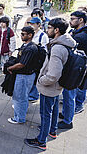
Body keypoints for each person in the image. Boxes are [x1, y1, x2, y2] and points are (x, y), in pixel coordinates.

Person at [24, 18, 76, 151]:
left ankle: (41, 141)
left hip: (49, 87)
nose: (47, 30)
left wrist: (41, 80)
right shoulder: (65, 42)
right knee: (52, 112)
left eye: (49, 28)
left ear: (56, 30)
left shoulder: (58, 48)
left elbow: (53, 75)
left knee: (45, 114)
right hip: (57, 87)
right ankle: (52, 130)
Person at [59, 11, 87, 129]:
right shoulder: (77, 32)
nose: (70, 21)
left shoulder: (81, 36)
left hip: (75, 70)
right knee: (67, 94)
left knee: (69, 95)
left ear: (81, 20)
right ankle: (66, 114)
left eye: (72, 19)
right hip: (74, 68)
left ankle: (67, 121)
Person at [7, 26, 38, 124]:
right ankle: (21, 113)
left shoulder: (30, 48)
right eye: (21, 33)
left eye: (23, 34)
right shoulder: (28, 46)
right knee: (23, 96)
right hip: (26, 75)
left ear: (30, 35)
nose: (21, 36)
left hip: (24, 76)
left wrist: (10, 68)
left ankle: (19, 118)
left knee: (19, 97)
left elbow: (22, 64)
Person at [27, 17, 49, 102]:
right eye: (30, 24)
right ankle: (31, 94)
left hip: (38, 60)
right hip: (31, 59)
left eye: (33, 24)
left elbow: (45, 51)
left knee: (36, 78)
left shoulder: (43, 36)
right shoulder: (31, 34)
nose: (31, 25)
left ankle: (34, 96)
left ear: (39, 25)